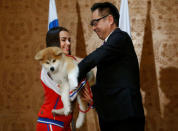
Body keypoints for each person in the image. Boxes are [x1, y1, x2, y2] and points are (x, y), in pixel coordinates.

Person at [78, 2, 145, 131]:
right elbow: (112, 81)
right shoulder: (111, 44)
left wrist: (72, 73)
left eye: (95, 22)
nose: (93, 28)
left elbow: (93, 58)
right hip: (112, 115)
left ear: (109, 19)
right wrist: (94, 99)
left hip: (125, 117)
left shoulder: (120, 37)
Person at [36, 26, 73, 131]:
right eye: (63, 40)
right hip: (51, 122)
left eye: (69, 40)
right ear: (54, 42)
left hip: (64, 122)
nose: (68, 43)